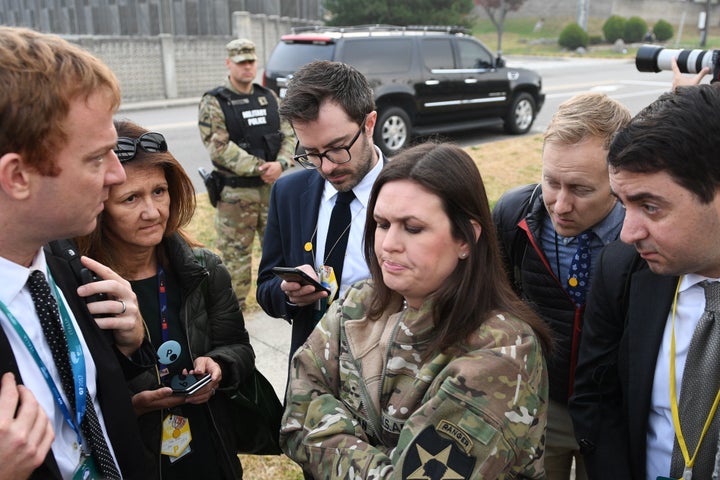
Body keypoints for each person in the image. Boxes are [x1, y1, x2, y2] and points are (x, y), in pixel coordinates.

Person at [280, 142, 552, 478]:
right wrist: (382, 458)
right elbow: (296, 410)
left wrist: (331, 436)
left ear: (466, 239)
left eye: (412, 228)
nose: (389, 243)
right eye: (381, 224)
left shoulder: (503, 350)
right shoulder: (358, 303)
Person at [0, 26, 149, 479]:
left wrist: (129, 342)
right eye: (97, 157)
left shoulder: (67, 263)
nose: (117, 175)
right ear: (18, 176)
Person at [76, 119, 256, 479]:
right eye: (131, 198)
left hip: (209, 448)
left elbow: (238, 346)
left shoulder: (204, 269)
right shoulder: (82, 290)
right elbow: (79, 402)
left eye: (159, 191)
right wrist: (135, 405)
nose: (152, 211)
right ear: (99, 204)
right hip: (136, 458)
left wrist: (219, 366)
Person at [570, 84, 720, 479]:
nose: (628, 232)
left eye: (650, 206)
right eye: (623, 204)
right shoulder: (621, 269)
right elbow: (596, 399)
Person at [493, 92, 631, 480]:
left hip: (613, 416)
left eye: (581, 189)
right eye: (551, 182)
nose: (560, 205)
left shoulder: (644, 237)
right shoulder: (512, 215)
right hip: (535, 405)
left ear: (619, 178)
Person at [256, 60, 388, 359]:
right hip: (311, 380)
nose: (327, 166)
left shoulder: (414, 193)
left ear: (369, 124)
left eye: (338, 147)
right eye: (312, 153)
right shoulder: (288, 194)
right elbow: (265, 288)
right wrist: (288, 295)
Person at [198, 38, 295, 310]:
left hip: (271, 191)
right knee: (235, 263)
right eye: (241, 62)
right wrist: (259, 167)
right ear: (229, 64)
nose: (247, 67)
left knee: (281, 256)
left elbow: (288, 134)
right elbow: (218, 147)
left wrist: (282, 164)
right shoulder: (214, 101)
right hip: (236, 196)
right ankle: (232, 318)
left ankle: (285, 306)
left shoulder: (268, 97)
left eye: (251, 61)